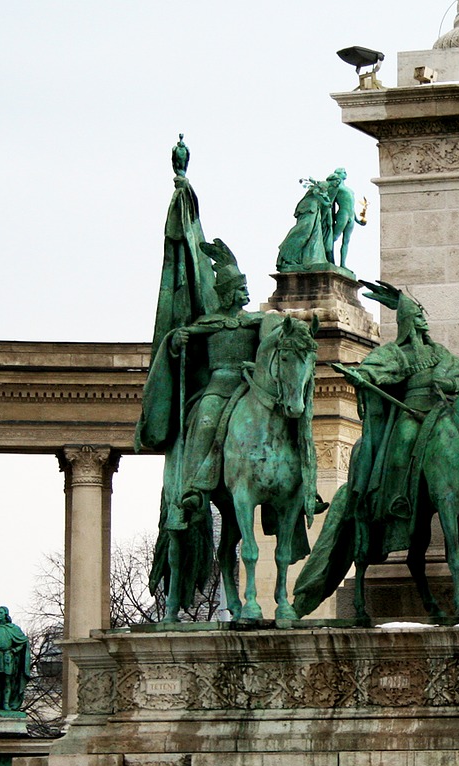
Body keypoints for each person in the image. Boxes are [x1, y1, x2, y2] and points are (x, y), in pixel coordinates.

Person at [137, 239, 265, 614]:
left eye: (245, 287)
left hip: (248, 387)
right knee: (207, 418)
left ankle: (299, 489)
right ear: (225, 294)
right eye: (237, 288)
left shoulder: (256, 322)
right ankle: (194, 484)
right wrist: (176, 343)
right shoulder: (205, 325)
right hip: (216, 387)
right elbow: (179, 352)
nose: (243, 292)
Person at [339, 281, 459, 555]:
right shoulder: (396, 353)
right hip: (411, 412)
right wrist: (362, 376)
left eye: (423, 315)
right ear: (408, 322)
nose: (424, 321)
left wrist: (447, 384)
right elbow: (372, 369)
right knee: (401, 450)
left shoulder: (439, 352)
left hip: (440, 412)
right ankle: (398, 501)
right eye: (418, 316)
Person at [277, 177, 334, 270]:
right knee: (303, 232)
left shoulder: (326, 188)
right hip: (308, 209)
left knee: (309, 235)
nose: (336, 183)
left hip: (314, 210)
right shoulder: (323, 184)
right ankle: (287, 256)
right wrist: (325, 202)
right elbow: (316, 192)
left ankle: (295, 258)